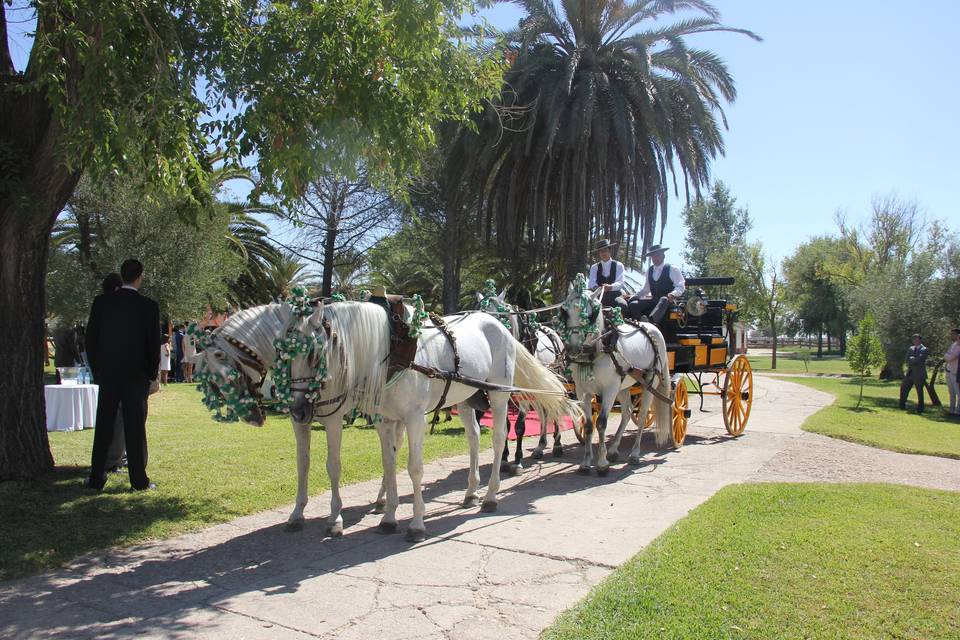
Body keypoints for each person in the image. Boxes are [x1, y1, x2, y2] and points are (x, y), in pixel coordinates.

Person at [83, 258, 161, 492]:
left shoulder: (102, 303)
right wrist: (151, 373)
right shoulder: (148, 306)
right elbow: (152, 344)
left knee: (104, 425)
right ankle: (138, 481)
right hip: (136, 376)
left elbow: (91, 340)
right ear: (139, 277)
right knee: (135, 428)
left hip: (108, 374)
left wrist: (97, 370)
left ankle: (96, 478)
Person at [98, 273, 128, 472]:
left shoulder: (100, 306)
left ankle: (115, 456)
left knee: (111, 418)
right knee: (119, 419)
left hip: (106, 371)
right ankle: (113, 459)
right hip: (122, 373)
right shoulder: (120, 309)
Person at [627, 244, 685, 325]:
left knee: (664, 299)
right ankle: (640, 324)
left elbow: (680, 286)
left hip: (668, 302)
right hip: (654, 300)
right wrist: (633, 296)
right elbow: (646, 289)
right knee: (633, 304)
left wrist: (673, 294)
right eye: (653, 256)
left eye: (657, 255)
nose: (655, 258)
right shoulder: (649, 271)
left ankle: (651, 322)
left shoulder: (672, 269)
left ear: (663, 256)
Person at [586, 239, 627, 312]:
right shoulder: (594, 267)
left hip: (615, 295)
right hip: (599, 296)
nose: (603, 253)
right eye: (601, 251)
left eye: (605, 250)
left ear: (610, 251)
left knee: (622, 305)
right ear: (599, 253)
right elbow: (591, 283)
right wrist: (597, 288)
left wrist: (610, 287)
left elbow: (621, 282)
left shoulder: (619, 265)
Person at [899, 333, 929, 414]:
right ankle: (902, 405)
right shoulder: (911, 348)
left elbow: (920, 359)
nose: (915, 341)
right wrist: (913, 359)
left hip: (919, 374)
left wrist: (912, 359)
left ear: (920, 339)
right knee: (904, 388)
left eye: (916, 339)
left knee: (919, 391)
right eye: (913, 339)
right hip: (910, 373)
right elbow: (907, 359)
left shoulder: (924, 349)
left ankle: (920, 408)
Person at [944, 328, 960, 416]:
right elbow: (947, 356)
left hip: (955, 372)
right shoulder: (953, 344)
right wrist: (947, 356)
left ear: (958, 335)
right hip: (949, 371)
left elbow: (950, 357)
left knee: (958, 393)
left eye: (953, 334)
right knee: (951, 392)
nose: (951, 335)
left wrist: (947, 356)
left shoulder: (959, 346)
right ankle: (951, 410)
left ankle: (958, 411)